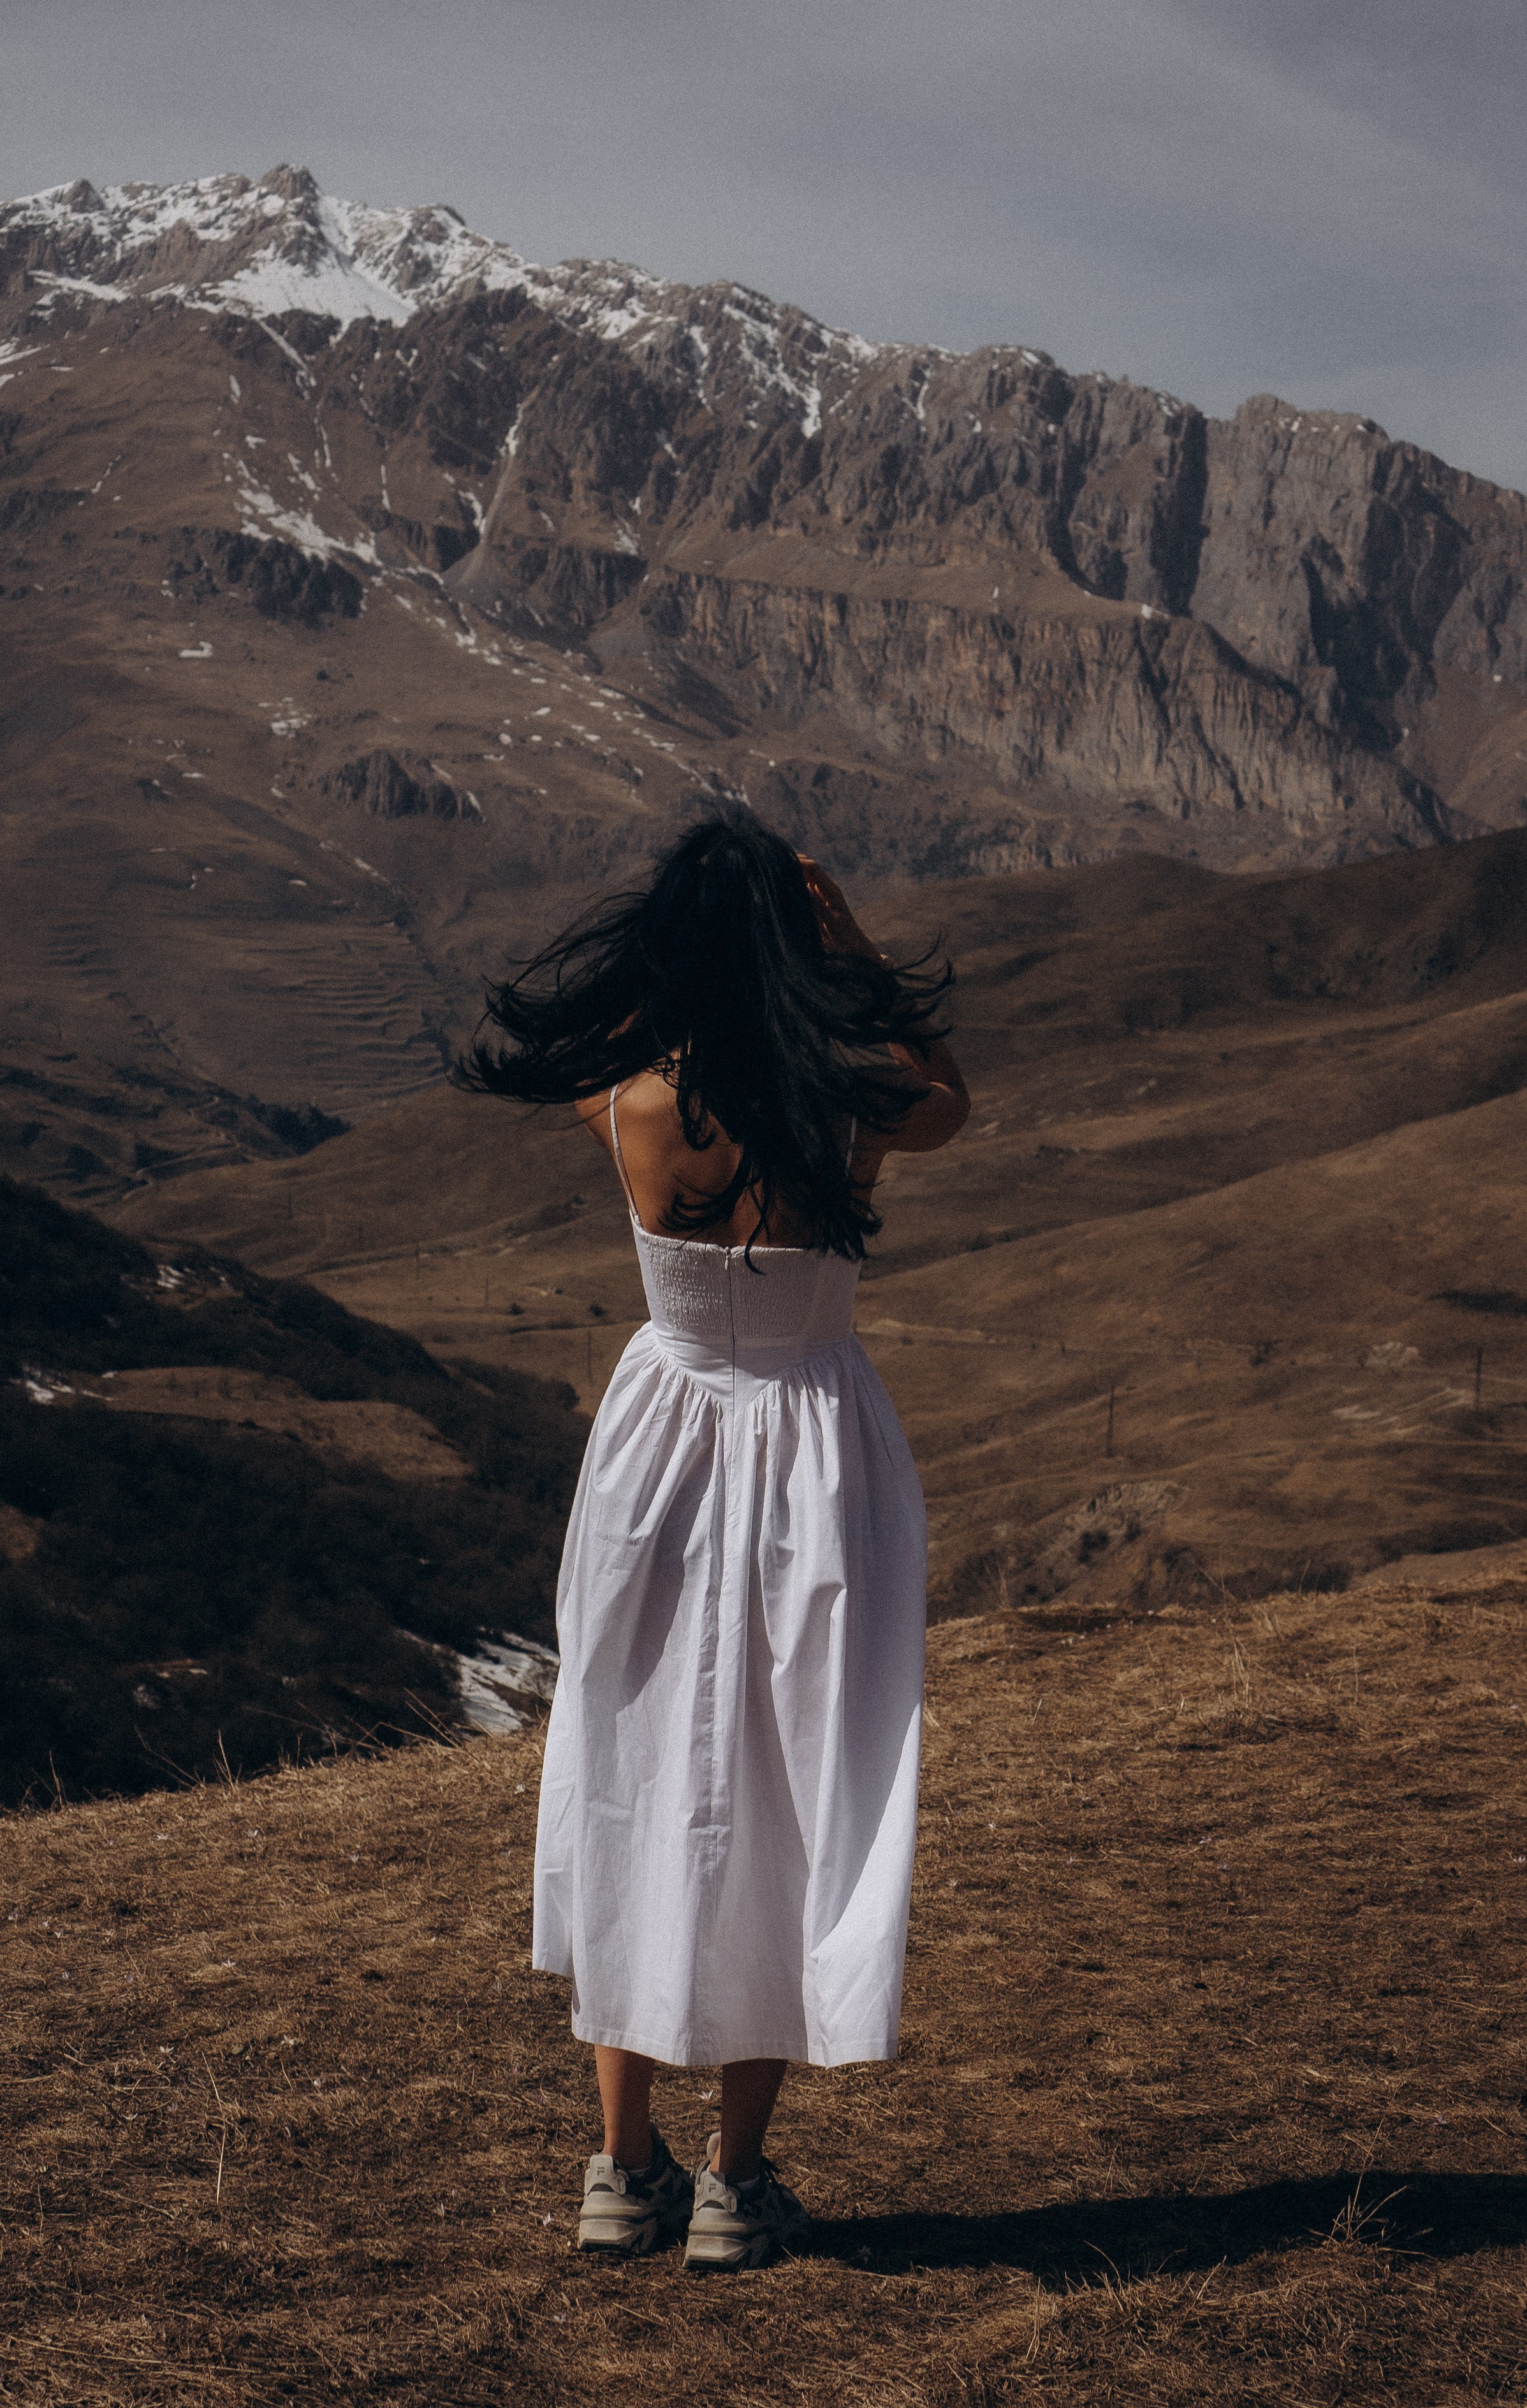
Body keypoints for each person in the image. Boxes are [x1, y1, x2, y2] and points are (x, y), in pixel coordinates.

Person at [460, 812, 969, 2270]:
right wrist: (846, 947)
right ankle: (737, 2185)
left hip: (660, 1449)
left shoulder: (624, 1102)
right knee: (795, 1786)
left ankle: (622, 2167)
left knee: (627, 1767)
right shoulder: (847, 1107)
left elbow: (631, 1035)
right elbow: (949, 1095)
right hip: (811, 1447)